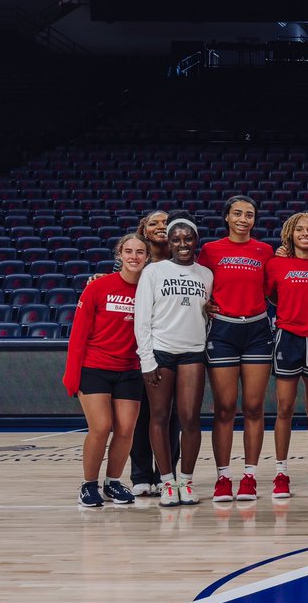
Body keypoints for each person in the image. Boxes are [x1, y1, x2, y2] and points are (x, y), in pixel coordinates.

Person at [63, 232, 149, 507]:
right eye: (129, 251)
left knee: (126, 429)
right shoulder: (98, 287)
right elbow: (78, 334)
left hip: (130, 369)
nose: (134, 256)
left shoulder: (149, 290)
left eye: (140, 252)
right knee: (101, 427)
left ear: (147, 257)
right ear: (120, 255)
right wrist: (72, 376)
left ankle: (113, 482)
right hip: (95, 368)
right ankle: (89, 485)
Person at [198, 194, 275, 503]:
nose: (244, 219)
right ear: (227, 217)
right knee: (225, 408)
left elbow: (274, 288)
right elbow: (198, 284)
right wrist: (205, 304)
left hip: (256, 330)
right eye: (238, 213)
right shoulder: (210, 250)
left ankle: (250, 478)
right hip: (223, 331)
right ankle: (223, 477)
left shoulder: (265, 250)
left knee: (254, 407)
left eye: (249, 214)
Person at [135, 212, 214, 507]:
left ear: (196, 241)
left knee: (190, 418)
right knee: (159, 416)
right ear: (168, 242)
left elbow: (206, 314)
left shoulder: (206, 274)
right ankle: (167, 482)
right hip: (160, 352)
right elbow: (142, 319)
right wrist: (147, 360)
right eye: (176, 239)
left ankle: (186, 481)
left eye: (188, 238)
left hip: (193, 350)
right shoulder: (153, 272)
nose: (182, 244)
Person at [266, 212, 308, 501]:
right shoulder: (276, 264)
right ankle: (281, 474)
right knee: (285, 409)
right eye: (300, 229)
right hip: (289, 338)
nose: (305, 234)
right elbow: (271, 296)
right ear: (290, 234)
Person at [128, 209, 178, 497]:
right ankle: (140, 474)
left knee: (171, 415)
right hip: (139, 348)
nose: (161, 226)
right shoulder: (137, 264)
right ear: (144, 230)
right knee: (141, 413)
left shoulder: (184, 260)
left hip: (173, 347)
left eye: (165, 222)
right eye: (154, 223)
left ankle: (166, 473)